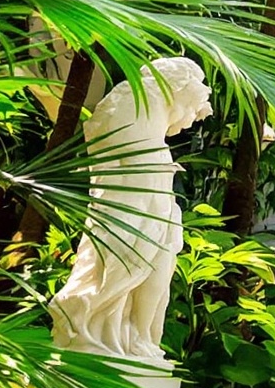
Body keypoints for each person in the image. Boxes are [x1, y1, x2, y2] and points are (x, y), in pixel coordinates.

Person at [51, 57, 215, 364]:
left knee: (157, 274)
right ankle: (114, 332)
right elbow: (123, 168)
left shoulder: (143, 111)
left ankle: (143, 338)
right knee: (128, 269)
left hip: (152, 207)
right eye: (192, 110)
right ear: (180, 90)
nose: (188, 122)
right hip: (132, 209)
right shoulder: (132, 102)